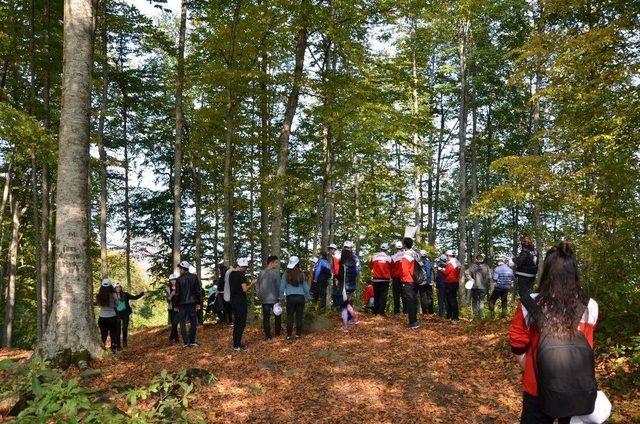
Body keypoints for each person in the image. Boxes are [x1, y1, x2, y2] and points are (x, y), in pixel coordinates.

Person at [509, 242, 599, 423]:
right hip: (577, 388)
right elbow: (587, 345)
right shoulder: (589, 306)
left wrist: (534, 369)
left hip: (537, 388)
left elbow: (518, 345)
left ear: (546, 273)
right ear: (574, 273)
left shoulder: (530, 304)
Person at [279, 256, 311, 339]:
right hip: (301, 297)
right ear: (298, 263)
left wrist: (281, 298)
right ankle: (298, 334)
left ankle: (289, 335)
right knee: (299, 316)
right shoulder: (301, 273)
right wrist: (307, 298)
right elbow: (306, 288)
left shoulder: (286, 273)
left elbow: (282, 287)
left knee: (290, 316)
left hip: (290, 298)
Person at [228, 257, 254, 350]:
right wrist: (252, 283)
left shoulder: (231, 274)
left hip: (233, 301)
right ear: (243, 267)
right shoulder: (241, 275)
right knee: (241, 323)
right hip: (240, 301)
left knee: (237, 323)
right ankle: (237, 345)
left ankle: (236, 343)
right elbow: (245, 289)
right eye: (245, 268)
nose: (246, 269)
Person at [175, 261, 202, 348]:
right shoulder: (194, 277)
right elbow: (198, 291)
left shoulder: (179, 279)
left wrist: (176, 305)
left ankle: (186, 342)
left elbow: (177, 293)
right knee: (193, 322)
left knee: (182, 323)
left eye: (180, 268)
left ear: (183, 269)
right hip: (192, 303)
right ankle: (192, 341)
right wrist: (198, 303)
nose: (179, 269)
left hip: (182, 304)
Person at [257, 255, 282, 340]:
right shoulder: (276, 272)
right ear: (271, 262)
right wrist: (280, 297)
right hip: (274, 298)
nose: (277, 264)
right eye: (276, 262)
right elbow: (278, 286)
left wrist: (259, 296)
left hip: (264, 299)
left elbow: (258, 286)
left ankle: (268, 336)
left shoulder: (261, 272)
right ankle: (277, 333)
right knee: (277, 315)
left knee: (266, 317)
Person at [113, 283, 145, 347]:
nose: (118, 288)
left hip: (125, 313)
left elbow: (135, 297)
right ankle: (118, 345)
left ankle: (125, 342)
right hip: (117, 315)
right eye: (116, 287)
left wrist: (141, 294)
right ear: (114, 289)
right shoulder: (112, 296)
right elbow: (107, 303)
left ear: (121, 288)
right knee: (118, 330)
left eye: (119, 287)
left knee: (124, 328)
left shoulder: (125, 294)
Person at [399, 237, 420, 329]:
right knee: (414, 301)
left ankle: (412, 323)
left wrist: (403, 280)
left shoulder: (405, 256)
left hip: (408, 281)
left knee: (410, 302)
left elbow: (404, 270)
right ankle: (414, 320)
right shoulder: (415, 254)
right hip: (415, 280)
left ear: (404, 245)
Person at [96, 278, 121, 353]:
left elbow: (98, 305)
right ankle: (113, 349)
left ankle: (102, 348)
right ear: (110, 286)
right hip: (112, 317)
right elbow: (117, 304)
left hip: (102, 317)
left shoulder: (98, 295)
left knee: (103, 334)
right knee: (113, 333)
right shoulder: (114, 295)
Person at [465, 254, 491, 319]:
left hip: (475, 287)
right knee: (481, 301)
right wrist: (488, 282)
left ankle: (475, 315)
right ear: (483, 259)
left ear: (476, 259)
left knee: (475, 301)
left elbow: (466, 273)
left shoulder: (473, 266)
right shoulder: (486, 266)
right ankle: (481, 315)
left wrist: (471, 279)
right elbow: (490, 276)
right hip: (483, 287)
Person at [369, 243, 392, 315]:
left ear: (380, 249)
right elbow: (392, 268)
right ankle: (381, 312)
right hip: (385, 280)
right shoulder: (389, 258)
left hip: (376, 279)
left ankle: (375, 312)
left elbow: (370, 267)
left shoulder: (374, 257)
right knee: (383, 296)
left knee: (376, 295)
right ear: (387, 250)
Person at [439, 250, 461, 322]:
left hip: (450, 283)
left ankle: (454, 317)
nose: (446, 257)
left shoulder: (451, 263)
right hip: (455, 282)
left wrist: (441, 269)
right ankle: (451, 316)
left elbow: (446, 272)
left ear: (449, 256)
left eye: (446, 256)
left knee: (451, 300)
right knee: (453, 299)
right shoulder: (457, 262)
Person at [418, 250, 434, 315]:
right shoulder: (428, 262)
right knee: (429, 296)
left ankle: (425, 312)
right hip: (428, 282)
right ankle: (430, 312)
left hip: (422, 282)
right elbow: (431, 271)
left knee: (423, 297)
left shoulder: (419, 263)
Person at [390, 241, 405, 315]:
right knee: (404, 294)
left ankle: (396, 312)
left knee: (396, 295)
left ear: (395, 248)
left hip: (395, 278)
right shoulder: (405, 255)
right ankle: (406, 311)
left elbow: (391, 269)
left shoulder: (393, 257)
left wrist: (391, 277)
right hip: (404, 278)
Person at [166, 274, 180, 343]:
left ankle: (172, 337)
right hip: (171, 309)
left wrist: (177, 307)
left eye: (174, 280)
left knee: (175, 323)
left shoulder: (179, 288)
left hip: (178, 309)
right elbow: (167, 300)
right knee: (173, 324)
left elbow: (181, 298)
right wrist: (171, 295)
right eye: (171, 280)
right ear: (170, 281)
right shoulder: (168, 288)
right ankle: (175, 338)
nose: (173, 281)